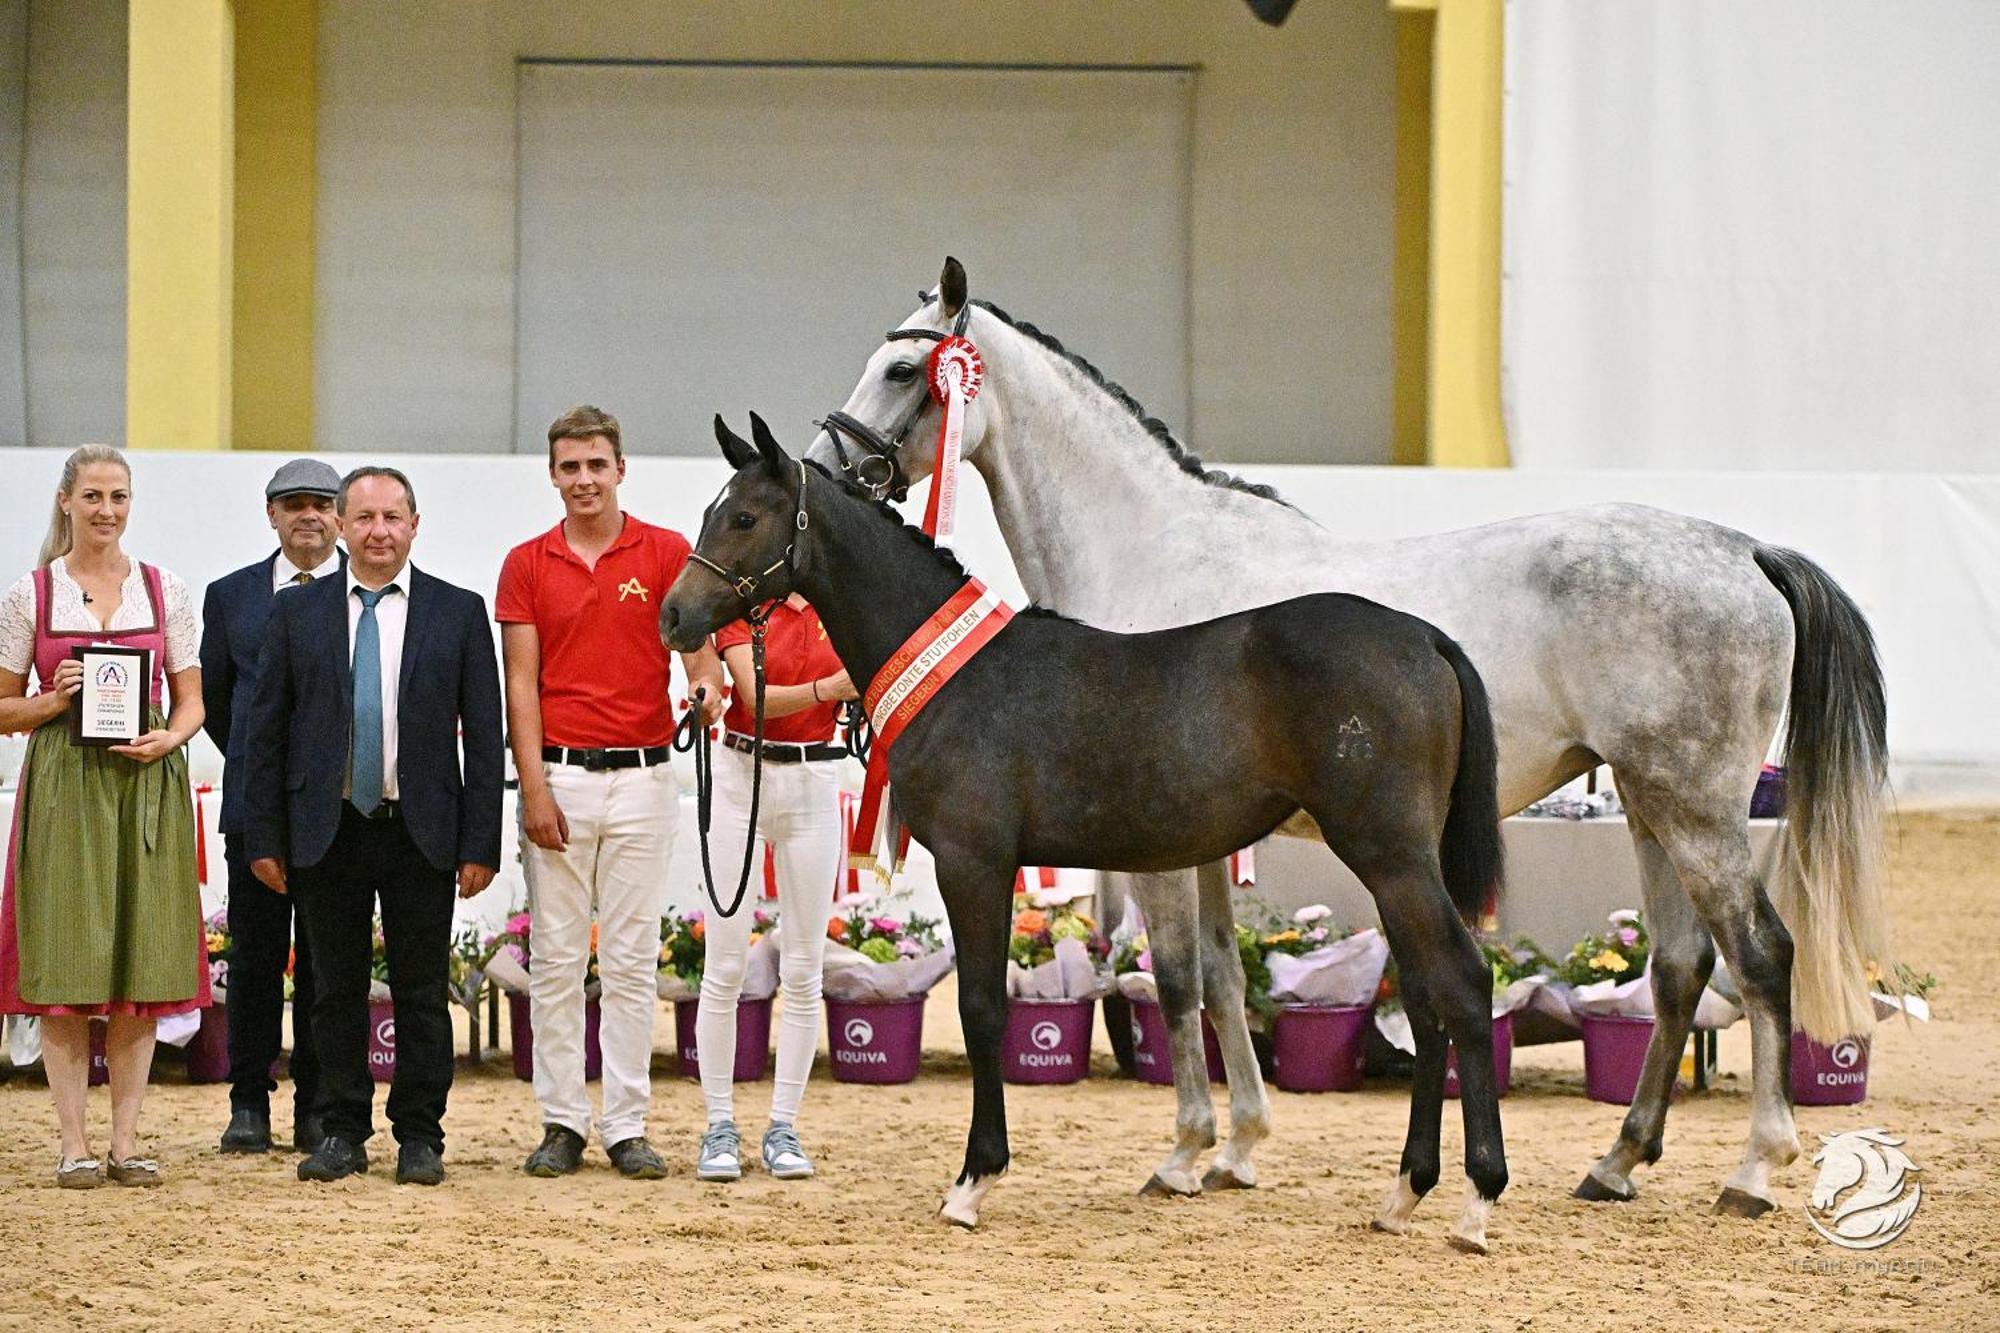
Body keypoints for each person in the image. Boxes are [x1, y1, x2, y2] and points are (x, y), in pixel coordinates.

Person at [243, 466, 503, 1186]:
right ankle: (341, 1129)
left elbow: (485, 736)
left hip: (421, 828)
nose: (378, 530)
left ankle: (421, 1134)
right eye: (363, 517)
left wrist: (480, 839)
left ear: (414, 525)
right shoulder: (297, 614)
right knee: (332, 989)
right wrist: (263, 835)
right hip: (327, 827)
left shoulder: (458, 611)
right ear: (340, 526)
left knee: (422, 990)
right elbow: (264, 731)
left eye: (392, 516)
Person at [496, 405, 725, 1179]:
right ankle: (562, 1121)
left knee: (629, 962)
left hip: (645, 775)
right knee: (557, 961)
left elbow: (698, 653)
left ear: (620, 469)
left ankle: (627, 1123)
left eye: (597, 464)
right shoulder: (526, 563)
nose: (584, 479)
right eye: (570, 466)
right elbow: (519, 685)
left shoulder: (664, 551)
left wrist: (704, 688)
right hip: (557, 775)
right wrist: (533, 787)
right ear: (553, 475)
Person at [0, 445, 208, 1189]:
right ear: (66, 501)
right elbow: (2, 709)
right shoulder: (30, 593)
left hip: (145, 780)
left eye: (118, 496)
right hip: (65, 786)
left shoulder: (165, 588)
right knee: (65, 963)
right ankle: (72, 1144)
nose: (106, 509)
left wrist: (170, 737)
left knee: (141, 962)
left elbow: (192, 700)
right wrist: (55, 698)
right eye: (92, 495)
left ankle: (125, 1143)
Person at [201, 459, 346, 1156]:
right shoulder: (231, 597)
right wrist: (266, 775)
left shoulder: (365, 592)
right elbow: (222, 707)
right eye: (294, 505)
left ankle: (318, 1104)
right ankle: (248, 1101)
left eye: (321, 503)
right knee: (255, 958)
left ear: (340, 515)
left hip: (338, 809)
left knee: (327, 960)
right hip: (257, 807)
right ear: (271, 514)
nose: (308, 515)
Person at [694, 590, 855, 1183]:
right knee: (725, 962)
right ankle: (719, 1125)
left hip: (815, 775)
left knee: (805, 965)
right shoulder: (746, 605)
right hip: (743, 771)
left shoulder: (838, 605)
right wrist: (829, 691)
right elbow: (756, 698)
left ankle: (783, 1124)